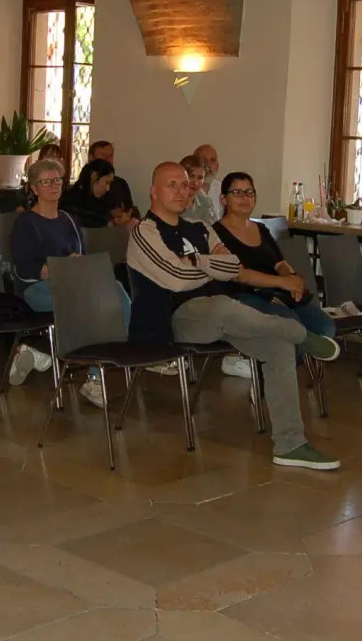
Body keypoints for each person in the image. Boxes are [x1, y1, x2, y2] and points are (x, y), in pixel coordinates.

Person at [127, 162, 341, 470]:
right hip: (174, 319)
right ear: (153, 191)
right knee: (223, 306)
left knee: (278, 347)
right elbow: (176, 279)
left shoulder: (200, 227)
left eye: (184, 185)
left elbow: (232, 266)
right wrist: (208, 264)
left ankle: (291, 444)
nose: (181, 191)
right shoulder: (144, 232)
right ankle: (302, 335)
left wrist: (196, 261)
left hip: (220, 314)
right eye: (171, 185)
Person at [9, 158, 130, 403]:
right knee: (92, 302)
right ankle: (94, 375)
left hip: (73, 283)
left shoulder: (69, 219)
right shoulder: (26, 222)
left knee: (115, 289)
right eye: (46, 182)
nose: (54, 186)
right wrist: (62, 267)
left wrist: (78, 266)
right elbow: (25, 268)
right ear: (34, 188)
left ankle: (127, 350)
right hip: (36, 288)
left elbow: (82, 257)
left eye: (57, 180)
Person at [211, 172, 335, 379]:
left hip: (277, 293)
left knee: (325, 327)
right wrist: (283, 282)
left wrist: (293, 280)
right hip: (242, 296)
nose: (244, 198)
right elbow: (238, 275)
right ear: (223, 199)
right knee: (290, 326)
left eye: (249, 192)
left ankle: (268, 366)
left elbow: (280, 263)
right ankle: (268, 374)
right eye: (237, 193)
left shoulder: (260, 228)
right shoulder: (215, 232)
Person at [60, 158, 120, 228]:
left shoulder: (103, 203)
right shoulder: (68, 202)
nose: (107, 189)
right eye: (107, 183)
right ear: (94, 177)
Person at [89, 140, 137, 224]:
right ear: (91, 158)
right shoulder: (82, 187)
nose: (108, 160)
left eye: (110, 156)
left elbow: (130, 210)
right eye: (103, 155)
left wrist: (127, 216)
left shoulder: (120, 183)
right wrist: (111, 218)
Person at [178, 155, 216, 225]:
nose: (195, 183)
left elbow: (215, 228)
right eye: (191, 176)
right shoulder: (171, 201)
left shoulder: (206, 203)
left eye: (200, 178)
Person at [193, 143, 222, 219]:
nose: (208, 165)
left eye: (213, 160)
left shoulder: (223, 189)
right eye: (203, 160)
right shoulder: (186, 190)